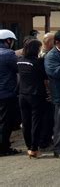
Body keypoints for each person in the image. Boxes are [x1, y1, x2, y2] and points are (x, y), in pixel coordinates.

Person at [17, 39, 49, 158]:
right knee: (36, 122)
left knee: (26, 122)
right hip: (36, 95)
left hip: (22, 95)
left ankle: (29, 147)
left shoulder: (20, 61)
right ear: (36, 49)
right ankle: (34, 148)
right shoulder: (39, 62)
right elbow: (46, 79)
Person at [0, 29, 21, 157]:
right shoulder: (8, 54)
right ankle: (3, 148)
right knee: (5, 122)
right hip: (6, 93)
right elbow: (19, 68)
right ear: (8, 41)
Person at [39, 33, 54, 150]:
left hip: (45, 90)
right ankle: (45, 140)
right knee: (47, 117)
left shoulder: (41, 53)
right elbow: (45, 78)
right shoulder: (45, 56)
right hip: (47, 91)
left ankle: (47, 138)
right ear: (49, 42)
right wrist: (49, 92)